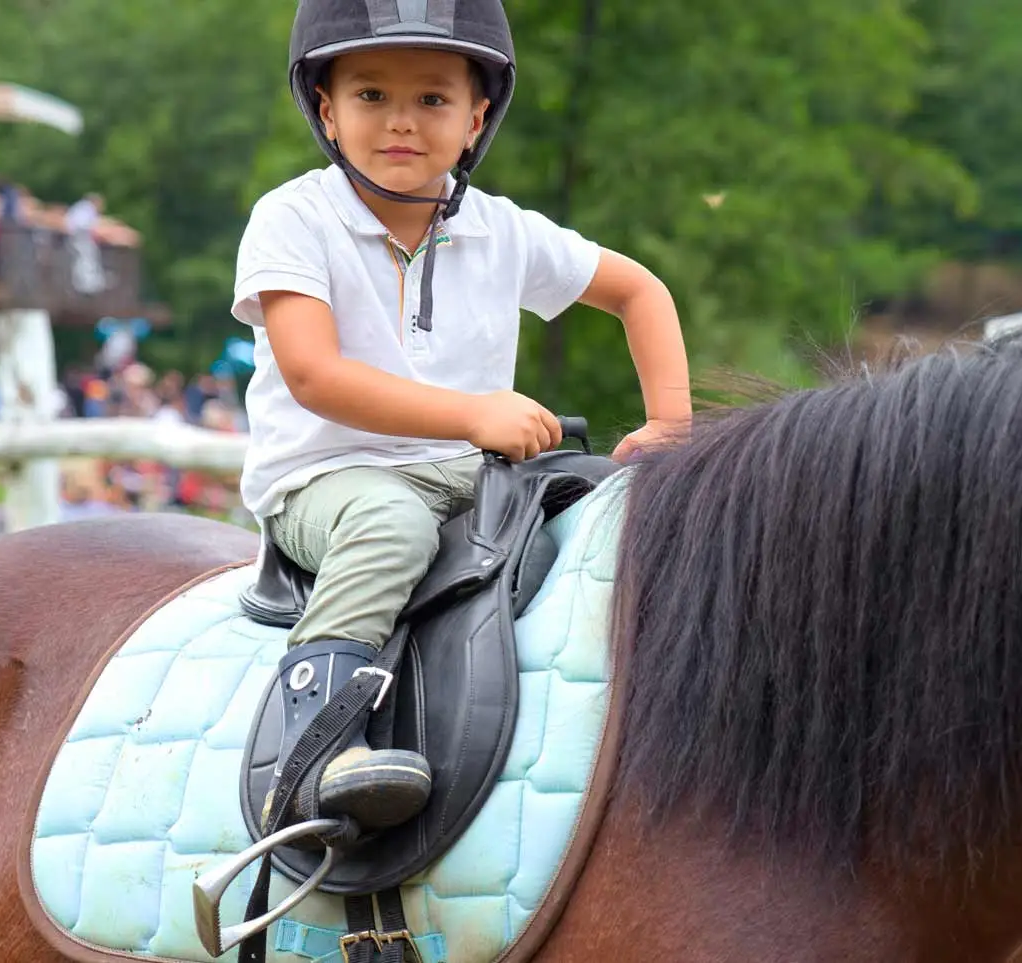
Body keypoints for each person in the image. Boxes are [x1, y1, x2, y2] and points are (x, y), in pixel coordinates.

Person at [233, 0, 691, 834]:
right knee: (390, 527)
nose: (402, 122)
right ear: (327, 112)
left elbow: (638, 291)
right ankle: (312, 742)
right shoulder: (294, 217)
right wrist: (474, 413)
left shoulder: (502, 230)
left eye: (434, 101)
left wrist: (669, 426)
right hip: (328, 476)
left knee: (607, 513)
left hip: (468, 472)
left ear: (476, 119)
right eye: (371, 96)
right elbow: (313, 372)